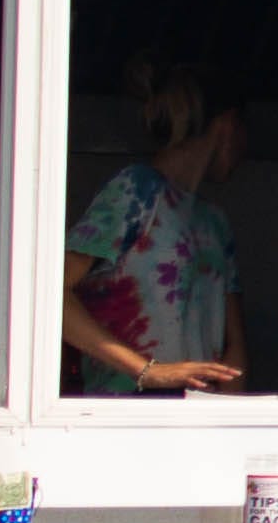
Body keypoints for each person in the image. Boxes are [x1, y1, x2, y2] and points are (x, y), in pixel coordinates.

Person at [62, 61, 250, 395]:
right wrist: (147, 371)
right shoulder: (138, 190)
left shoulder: (215, 222)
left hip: (197, 420)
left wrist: (229, 417)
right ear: (229, 125)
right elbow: (51, 296)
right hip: (127, 416)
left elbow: (233, 346)